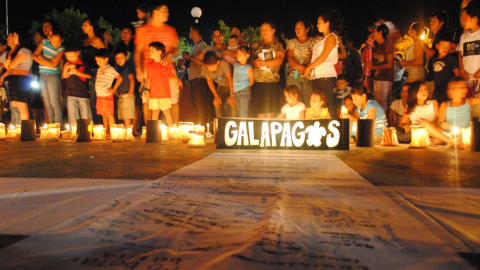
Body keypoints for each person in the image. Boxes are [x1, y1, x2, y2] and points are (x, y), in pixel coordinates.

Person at [134, 3, 179, 125]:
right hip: (148, 69)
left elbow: (176, 49)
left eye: (167, 11)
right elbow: (137, 52)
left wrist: (169, 55)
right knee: (148, 101)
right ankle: (151, 130)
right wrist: (138, 70)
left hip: (167, 68)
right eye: (164, 10)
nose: (167, 13)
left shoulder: (170, 30)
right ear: (155, 12)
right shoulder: (142, 30)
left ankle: (174, 129)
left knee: (173, 100)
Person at [305, 10, 343, 119]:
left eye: (319, 22)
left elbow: (323, 57)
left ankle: (332, 127)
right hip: (318, 75)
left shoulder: (331, 37)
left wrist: (308, 68)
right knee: (318, 101)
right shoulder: (323, 38)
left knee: (328, 101)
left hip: (326, 75)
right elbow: (316, 58)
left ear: (327, 23)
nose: (317, 25)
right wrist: (311, 71)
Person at [251, 22, 285, 118]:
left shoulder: (278, 45)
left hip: (272, 83)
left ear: (273, 31)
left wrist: (263, 63)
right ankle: (261, 131)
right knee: (260, 110)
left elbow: (279, 60)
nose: (264, 32)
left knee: (270, 110)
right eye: (262, 29)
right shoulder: (256, 45)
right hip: (258, 83)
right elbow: (249, 60)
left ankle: (269, 132)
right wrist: (255, 63)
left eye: (267, 29)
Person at [32, 24, 64, 126]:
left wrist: (41, 59)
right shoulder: (44, 42)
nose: (56, 43)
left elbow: (55, 65)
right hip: (42, 74)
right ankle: (50, 125)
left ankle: (58, 124)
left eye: (58, 41)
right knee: (47, 101)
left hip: (53, 76)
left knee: (54, 101)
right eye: (54, 41)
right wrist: (49, 63)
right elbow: (34, 55)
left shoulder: (61, 49)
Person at [0, 30, 34, 122]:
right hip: (15, 79)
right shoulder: (19, 51)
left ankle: (25, 128)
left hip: (21, 80)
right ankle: (19, 127)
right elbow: (9, 66)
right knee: (16, 104)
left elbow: (11, 66)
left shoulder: (24, 51)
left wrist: (7, 63)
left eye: (15, 36)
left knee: (22, 104)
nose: (13, 38)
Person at [185, 23, 212, 126]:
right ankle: (198, 123)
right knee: (194, 103)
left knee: (200, 103)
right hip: (193, 78)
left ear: (195, 32)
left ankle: (203, 125)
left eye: (191, 31)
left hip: (199, 78)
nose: (190, 33)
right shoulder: (196, 46)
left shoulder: (203, 46)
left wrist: (190, 58)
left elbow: (203, 63)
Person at [364, 23, 394, 112]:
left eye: (374, 32)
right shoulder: (376, 47)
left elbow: (390, 64)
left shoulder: (387, 45)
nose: (372, 34)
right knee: (376, 103)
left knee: (382, 104)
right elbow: (363, 60)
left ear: (380, 32)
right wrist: (367, 44)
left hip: (385, 79)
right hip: (376, 79)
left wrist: (372, 67)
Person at [146, 42, 178, 126]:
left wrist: (178, 81)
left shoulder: (166, 64)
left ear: (159, 52)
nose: (149, 52)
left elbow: (171, 76)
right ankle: (154, 132)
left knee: (167, 112)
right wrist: (146, 90)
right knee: (155, 113)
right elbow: (148, 79)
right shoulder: (149, 65)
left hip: (164, 94)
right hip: (153, 94)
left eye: (152, 50)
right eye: (149, 50)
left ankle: (171, 131)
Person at [457, 2, 480, 117]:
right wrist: (461, 70)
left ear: (475, 18)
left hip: (478, 79)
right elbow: (460, 54)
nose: (464, 21)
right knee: (468, 108)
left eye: (466, 18)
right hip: (467, 79)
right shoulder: (464, 37)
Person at [286, 20, 317, 104]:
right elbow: (290, 56)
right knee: (295, 101)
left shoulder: (313, 42)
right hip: (294, 75)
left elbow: (315, 56)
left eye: (301, 27)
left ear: (307, 29)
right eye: (296, 27)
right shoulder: (291, 42)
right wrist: (299, 67)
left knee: (309, 101)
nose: (297, 29)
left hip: (308, 75)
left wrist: (307, 68)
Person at [82, 17, 105, 124]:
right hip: (84, 72)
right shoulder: (85, 41)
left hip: (95, 71)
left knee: (94, 99)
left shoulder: (97, 40)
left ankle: (98, 124)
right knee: (86, 100)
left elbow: (105, 55)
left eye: (86, 24)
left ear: (92, 26)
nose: (83, 27)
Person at [94, 48, 122, 136]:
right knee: (103, 114)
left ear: (106, 59)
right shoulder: (99, 69)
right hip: (99, 96)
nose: (97, 62)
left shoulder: (110, 69)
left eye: (99, 60)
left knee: (109, 114)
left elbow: (119, 78)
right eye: (96, 61)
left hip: (107, 96)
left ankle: (113, 131)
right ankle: (106, 131)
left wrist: (113, 89)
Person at [63, 44, 92, 127]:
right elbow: (65, 76)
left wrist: (77, 72)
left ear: (78, 53)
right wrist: (65, 68)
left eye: (72, 56)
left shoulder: (83, 63)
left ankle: (87, 131)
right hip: (71, 93)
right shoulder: (67, 63)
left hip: (83, 93)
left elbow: (89, 75)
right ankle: (74, 131)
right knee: (72, 115)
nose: (70, 59)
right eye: (67, 57)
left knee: (85, 114)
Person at [201, 51, 235, 118]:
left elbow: (230, 78)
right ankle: (220, 123)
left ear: (218, 62)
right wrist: (216, 96)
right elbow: (209, 81)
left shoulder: (224, 63)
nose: (211, 70)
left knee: (231, 103)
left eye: (213, 67)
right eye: (208, 67)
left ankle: (233, 122)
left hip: (232, 85)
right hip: (221, 86)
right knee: (217, 103)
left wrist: (232, 94)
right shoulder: (204, 67)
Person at [424, 10, 450, 97]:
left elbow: (432, 54)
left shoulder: (442, 35)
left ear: (441, 22)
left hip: (439, 75)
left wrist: (420, 43)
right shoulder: (438, 35)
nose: (431, 23)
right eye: (431, 20)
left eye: (434, 20)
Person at [432, 34, 460, 104]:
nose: (445, 49)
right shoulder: (434, 60)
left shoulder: (451, 59)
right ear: (437, 46)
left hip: (447, 90)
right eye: (443, 46)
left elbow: (457, 74)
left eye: (447, 47)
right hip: (438, 90)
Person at [114, 49, 135, 128]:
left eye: (121, 57)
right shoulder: (119, 69)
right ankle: (127, 130)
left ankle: (128, 130)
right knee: (123, 113)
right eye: (117, 58)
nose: (119, 60)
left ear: (126, 58)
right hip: (122, 95)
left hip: (127, 94)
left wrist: (131, 91)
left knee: (127, 114)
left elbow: (131, 79)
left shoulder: (127, 68)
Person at [233, 45, 254, 118]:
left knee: (243, 112)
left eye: (240, 54)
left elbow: (251, 81)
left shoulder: (249, 67)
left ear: (247, 56)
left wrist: (244, 87)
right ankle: (241, 127)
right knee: (239, 111)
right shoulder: (235, 65)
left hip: (244, 91)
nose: (237, 55)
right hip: (236, 91)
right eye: (237, 53)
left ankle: (243, 127)